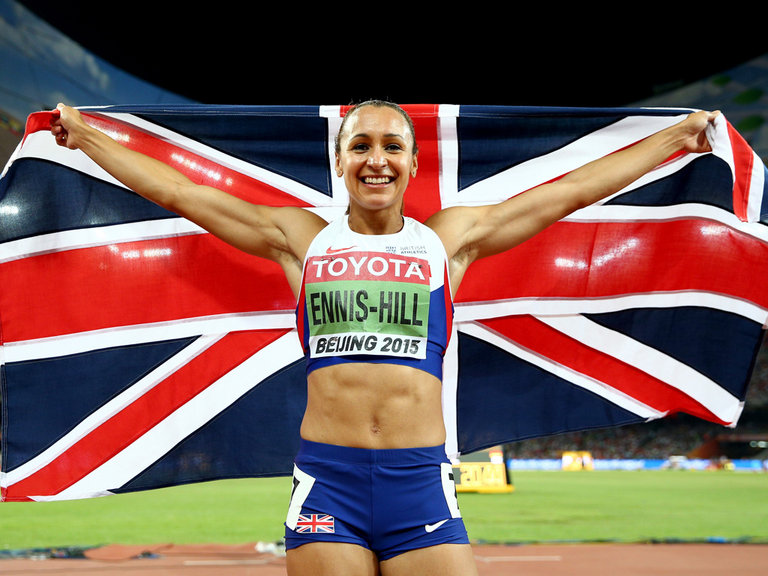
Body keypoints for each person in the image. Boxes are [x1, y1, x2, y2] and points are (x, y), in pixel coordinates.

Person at [50, 100, 719, 575]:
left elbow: (569, 192)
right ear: (340, 162)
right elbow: (178, 192)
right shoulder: (300, 240)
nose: (376, 159)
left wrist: (675, 139)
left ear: (412, 161)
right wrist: (86, 139)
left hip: (419, 481)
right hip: (328, 482)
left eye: (391, 146)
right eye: (361, 146)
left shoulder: (448, 240)